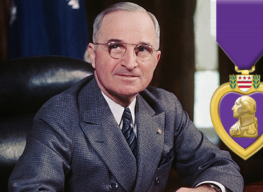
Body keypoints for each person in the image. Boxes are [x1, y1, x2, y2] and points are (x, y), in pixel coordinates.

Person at [8, 2, 243, 192]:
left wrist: (209, 189)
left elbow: (220, 166)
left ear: (156, 59)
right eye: (116, 47)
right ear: (93, 54)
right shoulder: (60, 114)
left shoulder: (165, 107)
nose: (130, 63)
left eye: (142, 50)